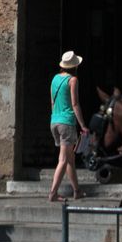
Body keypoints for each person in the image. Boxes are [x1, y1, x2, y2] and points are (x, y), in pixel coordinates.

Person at [48, 50, 89, 203]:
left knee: (70, 159)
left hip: (54, 121)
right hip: (66, 123)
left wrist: (56, 117)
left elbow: (52, 102)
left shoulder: (54, 79)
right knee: (63, 160)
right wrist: (83, 125)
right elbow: (75, 103)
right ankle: (52, 193)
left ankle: (77, 191)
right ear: (75, 66)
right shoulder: (73, 80)